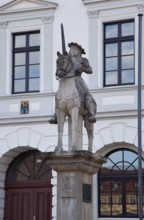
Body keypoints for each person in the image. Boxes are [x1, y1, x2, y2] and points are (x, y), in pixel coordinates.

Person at [49, 42, 96, 124]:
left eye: (75, 49)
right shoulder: (67, 59)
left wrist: (82, 68)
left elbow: (90, 71)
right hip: (67, 80)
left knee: (86, 94)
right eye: (71, 49)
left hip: (78, 79)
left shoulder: (83, 60)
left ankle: (90, 113)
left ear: (79, 52)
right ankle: (56, 114)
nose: (73, 51)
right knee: (58, 94)